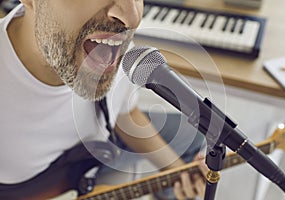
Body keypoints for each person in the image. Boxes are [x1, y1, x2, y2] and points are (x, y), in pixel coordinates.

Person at [0, 0, 208, 199]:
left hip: (91, 157)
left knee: (196, 136)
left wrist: (175, 170)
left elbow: (123, 112)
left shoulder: (107, 48)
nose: (132, 17)